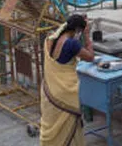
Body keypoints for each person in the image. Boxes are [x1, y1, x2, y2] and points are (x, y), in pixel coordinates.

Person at [40, 13, 94, 145]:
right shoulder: (72, 44)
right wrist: (87, 35)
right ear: (77, 31)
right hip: (65, 94)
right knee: (70, 126)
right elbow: (90, 57)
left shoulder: (49, 39)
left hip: (49, 92)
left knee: (53, 126)